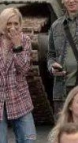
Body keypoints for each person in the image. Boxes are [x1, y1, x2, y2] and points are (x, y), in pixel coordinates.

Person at [0, 8, 36, 143]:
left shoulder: (24, 40)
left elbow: (24, 69)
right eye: (8, 23)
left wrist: (17, 46)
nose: (12, 27)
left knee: (28, 139)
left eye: (16, 23)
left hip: (19, 98)